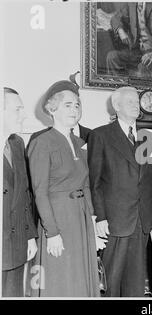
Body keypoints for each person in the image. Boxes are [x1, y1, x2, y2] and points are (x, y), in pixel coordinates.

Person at [28, 80, 104, 297]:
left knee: (82, 278)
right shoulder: (42, 142)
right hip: (58, 219)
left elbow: (86, 185)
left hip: (81, 219)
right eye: (68, 105)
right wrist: (52, 233)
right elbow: (40, 192)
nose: (75, 109)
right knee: (60, 279)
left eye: (77, 105)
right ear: (52, 109)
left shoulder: (80, 143)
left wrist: (92, 223)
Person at [88, 86, 152, 297]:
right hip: (115, 220)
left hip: (142, 220)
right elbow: (95, 182)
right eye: (129, 101)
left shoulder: (147, 137)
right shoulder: (100, 135)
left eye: (136, 101)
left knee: (136, 283)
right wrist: (100, 217)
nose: (135, 105)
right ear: (116, 105)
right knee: (112, 279)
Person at [2, 87, 38, 297]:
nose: (23, 115)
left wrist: (30, 236)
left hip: (16, 245)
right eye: (18, 109)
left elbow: (24, 194)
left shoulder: (17, 143)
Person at [106, 2, 152, 78]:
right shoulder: (131, 4)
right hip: (136, 51)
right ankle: (120, 87)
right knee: (112, 57)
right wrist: (121, 31)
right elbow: (115, 18)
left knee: (142, 69)